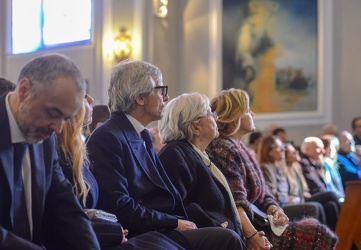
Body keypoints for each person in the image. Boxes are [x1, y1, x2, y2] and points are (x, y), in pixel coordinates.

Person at [86, 60, 247, 250]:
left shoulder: (142, 134)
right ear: (140, 97)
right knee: (227, 239)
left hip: (161, 229)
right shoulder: (108, 137)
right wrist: (173, 223)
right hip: (143, 235)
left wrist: (196, 221)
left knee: (227, 235)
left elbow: (169, 199)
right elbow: (120, 206)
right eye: (160, 90)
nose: (167, 96)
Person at [206, 88, 338, 249]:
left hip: (259, 219)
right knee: (317, 233)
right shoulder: (222, 147)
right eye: (248, 111)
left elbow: (263, 195)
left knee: (317, 228)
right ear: (235, 119)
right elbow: (236, 202)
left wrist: (275, 209)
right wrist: (253, 236)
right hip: (250, 226)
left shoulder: (240, 148)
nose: (253, 114)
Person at [55, 95, 186, 250]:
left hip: (104, 234)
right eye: (82, 93)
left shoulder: (75, 150)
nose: (91, 99)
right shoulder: (105, 137)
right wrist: (109, 231)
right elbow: (62, 215)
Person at [0, 53, 100, 249]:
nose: (58, 128)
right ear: (24, 91)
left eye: (65, 118)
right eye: (53, 113)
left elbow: (64, 205)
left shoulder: (46, 141)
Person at [158, 92, 272, 250]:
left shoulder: (197, 154)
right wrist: (214, 224)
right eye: (210, 113)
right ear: (195, 128)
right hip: (216, 238)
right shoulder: (174, 154)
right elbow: (176, 206)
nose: (216, 118)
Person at [258, 135, 326, 223]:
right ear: (268, 151)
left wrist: (294, 198)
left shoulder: (278, 166)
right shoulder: (266, 168)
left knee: (320, 206)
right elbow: (270, 194)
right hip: (278, 207)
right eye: (279, 147)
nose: (283, 150)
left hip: (286, 202)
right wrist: (288, 198)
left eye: (282, 147)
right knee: (314, 207)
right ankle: (315, 235)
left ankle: (324, 234)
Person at [299, 137, 341, 230]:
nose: (323, 151)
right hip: (309, 196)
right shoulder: (303, 163)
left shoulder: (316, 163)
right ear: (307, 150)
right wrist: (326, 194)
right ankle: (345, 228)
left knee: (331, 205)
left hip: (318, 195)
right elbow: (314, 185)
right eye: (318, 148)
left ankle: (337, 235)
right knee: (332, 195)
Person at [320, 134, 345, 203]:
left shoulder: (332, 164)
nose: (333, 150)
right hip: (336, 198)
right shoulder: (325, 164)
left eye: (335, 147)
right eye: (331, 147)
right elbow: (329, 184)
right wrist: (341, 197)